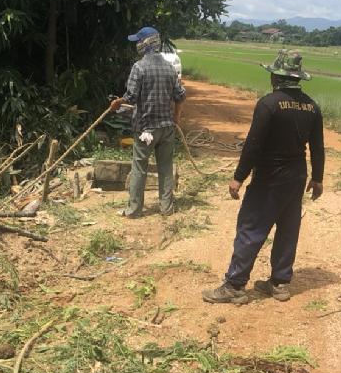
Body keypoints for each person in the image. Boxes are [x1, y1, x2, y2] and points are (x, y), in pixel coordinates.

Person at [202, 50, 325, 305]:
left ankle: (235, 285)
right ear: (297, 78)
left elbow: (253, 145)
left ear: (276, 77)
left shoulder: (269, 104)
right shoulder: (312, 106)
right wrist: (318, 178)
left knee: (251, 227)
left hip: (269, 177)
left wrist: (239, 177)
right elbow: (317, 147)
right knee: (288, 229)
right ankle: (280, 283)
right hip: (296, 176)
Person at [109, 27, 186, 218]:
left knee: (139, 168)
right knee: (166, 167)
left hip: (145, 129)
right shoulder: (169, 68)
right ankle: (166, 208)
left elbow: (131, 97)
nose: (136, 45)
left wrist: (118, 102)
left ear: (146, 43)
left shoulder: (139, 67)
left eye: (138, 41)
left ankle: (134, 210)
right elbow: (180, 96)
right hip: (166, 128)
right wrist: (176, 118)